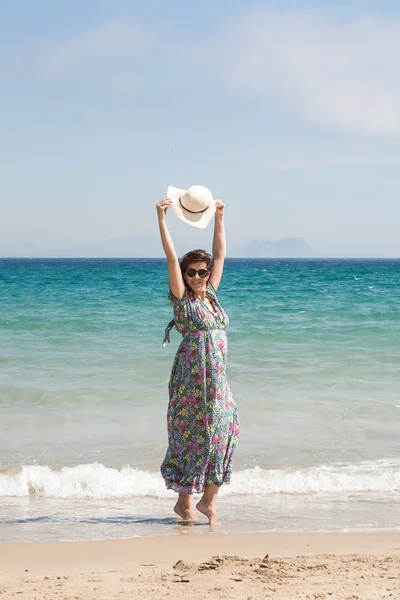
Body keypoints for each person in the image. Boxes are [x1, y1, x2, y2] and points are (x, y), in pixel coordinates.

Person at [156, 195, 240, 527]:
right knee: (192, 436)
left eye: (201, 271)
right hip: (192, 382)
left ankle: (208, 501)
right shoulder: (183, 301)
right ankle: (184, 504)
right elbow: (170, 256)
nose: (196, 276)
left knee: (225, 432)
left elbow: (219, 253)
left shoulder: (213, 295)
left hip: (218, 382)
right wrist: (161, 219)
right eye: (190, 272)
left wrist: (219, 217)